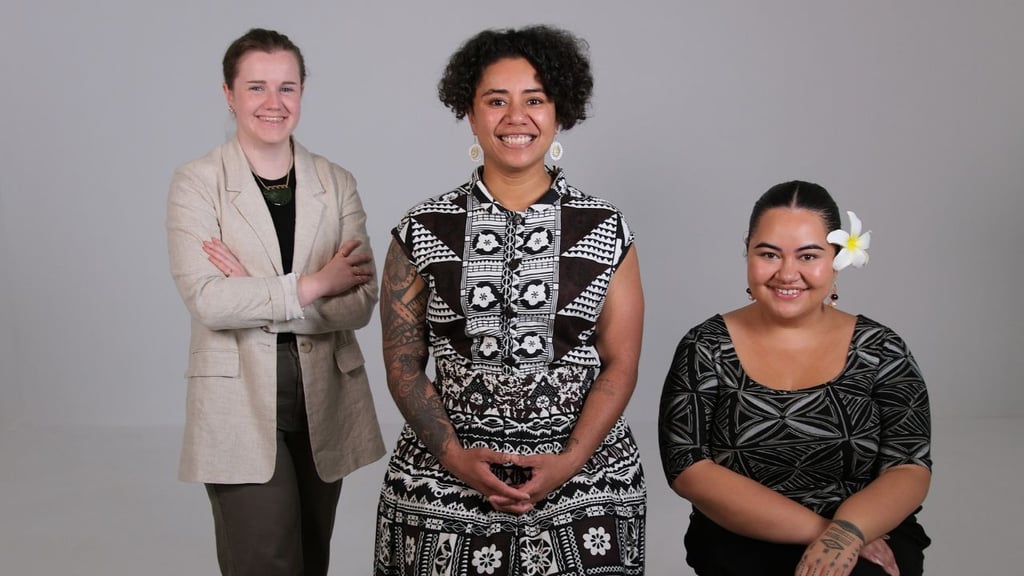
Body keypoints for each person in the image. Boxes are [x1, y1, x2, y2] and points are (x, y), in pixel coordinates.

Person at [373, 25, 646, 576]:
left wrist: (569, 461)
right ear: (470, 114)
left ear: (559, 112)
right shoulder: (422, 227)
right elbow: (402, 363)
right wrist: (455, 459)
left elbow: (621, 362)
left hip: (584, 484)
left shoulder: (605, 227)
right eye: (496, 101)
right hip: (444, 483)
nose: (516, 117)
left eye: (535, 100)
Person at [166, 28, 385, 576]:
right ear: (229, 94)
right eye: (256, 87)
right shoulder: (197, 183)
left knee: (311, 556)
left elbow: (360, 301)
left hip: (325, 390)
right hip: (236, 393)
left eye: (287, 87)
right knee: (265, 561)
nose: (273, 102)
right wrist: (313, 283)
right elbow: (209, 300)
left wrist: (257, 291)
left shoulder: (336, 182)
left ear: (302, 92)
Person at [658, 180, 932, 576]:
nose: (787, 273)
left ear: (836, 258)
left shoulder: (882, 349)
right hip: (740, 538)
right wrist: (830, 536)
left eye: (808, 256)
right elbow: (687, 467)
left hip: (870, 530)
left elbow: (909, 466)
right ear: (748, 251)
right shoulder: (706, 347)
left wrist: (853, 529)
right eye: (769, 254)